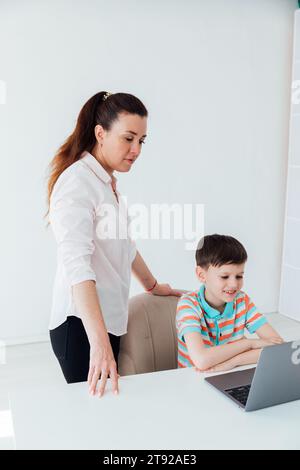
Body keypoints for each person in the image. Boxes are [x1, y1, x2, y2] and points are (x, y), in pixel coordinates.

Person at [47, 91, 181, 396]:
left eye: (142, 141)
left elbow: (125, 245)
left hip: (106, 321)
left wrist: (152, 284)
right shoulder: (77, 184)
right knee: (94, 415)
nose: (136, 150)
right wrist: (99, 344)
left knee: (110, 411)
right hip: (80, 326)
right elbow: (77, 269)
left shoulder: (105, 184)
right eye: (128, 138)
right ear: (100, 134)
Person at [176, 234, 283, 372]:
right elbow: (201, 361)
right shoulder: (188, 305)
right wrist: (249, 343)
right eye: (224, 276)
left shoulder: (242, 301)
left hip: (231, 373)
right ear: (201, 275)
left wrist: (234, 362)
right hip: (192, 381)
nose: (234, 284)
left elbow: (278, 348)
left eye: (239, 276)